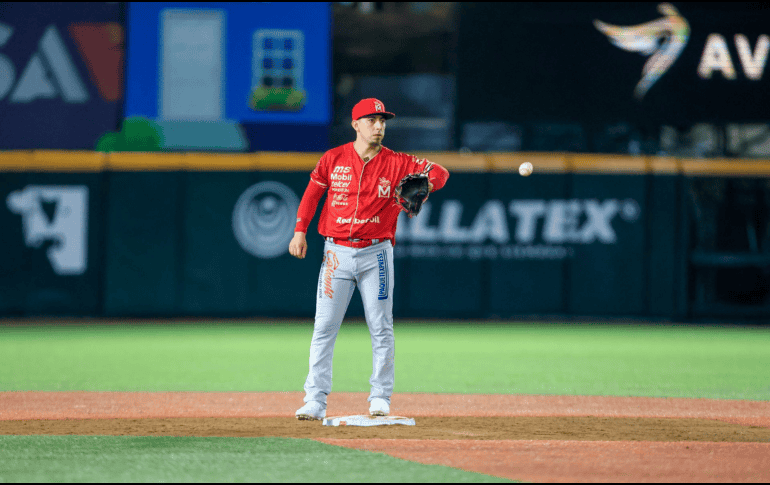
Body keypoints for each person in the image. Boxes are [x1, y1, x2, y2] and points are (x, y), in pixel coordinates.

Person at [289, 98, 450, 420]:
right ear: (356, 124)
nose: (379, 126)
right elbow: (311, 195)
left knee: (380, 327)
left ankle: (380, 396)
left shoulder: (399, 162)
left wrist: (427, 184)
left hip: (376, 253)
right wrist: (299, 231)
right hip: (336, 253)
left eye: (383, 121)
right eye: (372, 120)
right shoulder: (333, 158)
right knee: (324, 327)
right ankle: (315, 400)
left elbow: (442, 172)